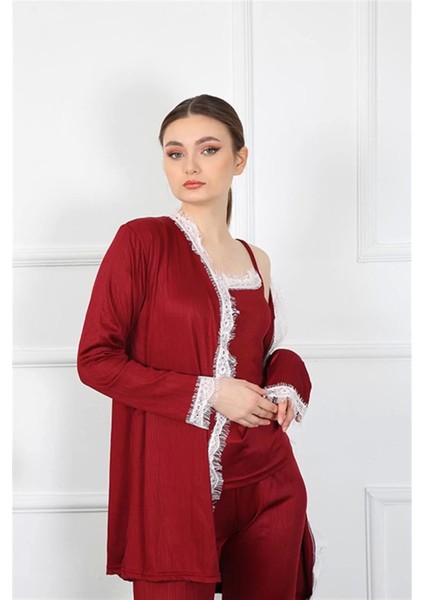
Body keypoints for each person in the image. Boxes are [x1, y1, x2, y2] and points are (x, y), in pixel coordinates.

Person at [77, 94, 315, 600]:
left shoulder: (257, 260)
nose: (190, 165)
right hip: (173, 488)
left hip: (269, 482)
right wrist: (211, 393)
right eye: (174, 152)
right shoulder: (141, 242)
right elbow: (96, 361)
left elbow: (268, 353)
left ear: (239, 159)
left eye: (208, 150)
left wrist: (286, 383)